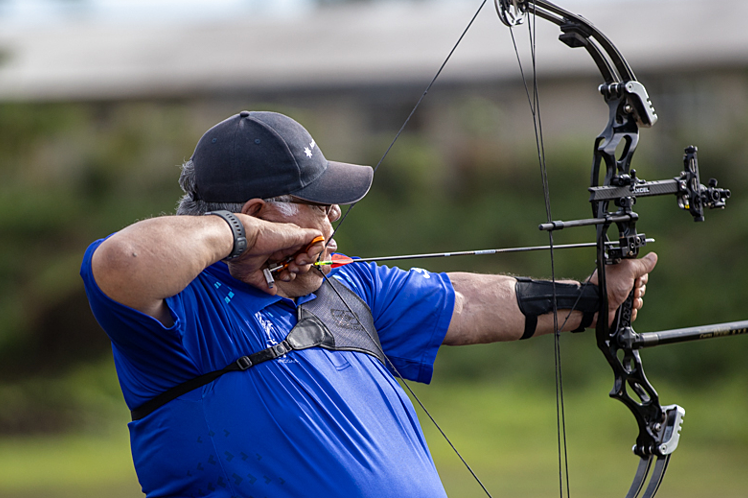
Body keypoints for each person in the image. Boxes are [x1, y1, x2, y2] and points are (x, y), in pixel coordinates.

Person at [80, 110, 657, 498]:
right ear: (258, 212)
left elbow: (467, 300)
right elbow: (122, 260)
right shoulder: (186, 304)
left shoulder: (343, 282)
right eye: (317, 201)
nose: (335, 214)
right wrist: (251, 238)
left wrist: (592, 301)